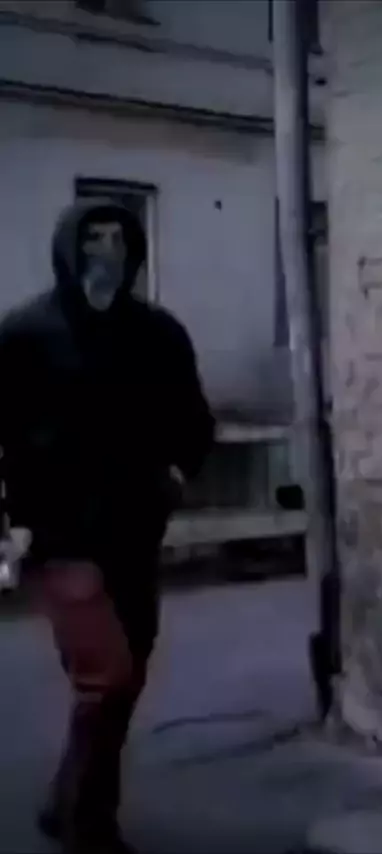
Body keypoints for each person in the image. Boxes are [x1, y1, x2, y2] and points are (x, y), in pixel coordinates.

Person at [0, 199, 215, 854]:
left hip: (135, 534)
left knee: (123, 680)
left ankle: (66, 799)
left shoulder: (158, 333)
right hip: (59, 537)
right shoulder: (26, 333)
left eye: (119, 239)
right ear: (69, 248)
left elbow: (192, 418)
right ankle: (88, 827)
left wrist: (178, 472)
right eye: (92, 239)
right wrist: (9, 523)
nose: (106, 252)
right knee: (107, 676)